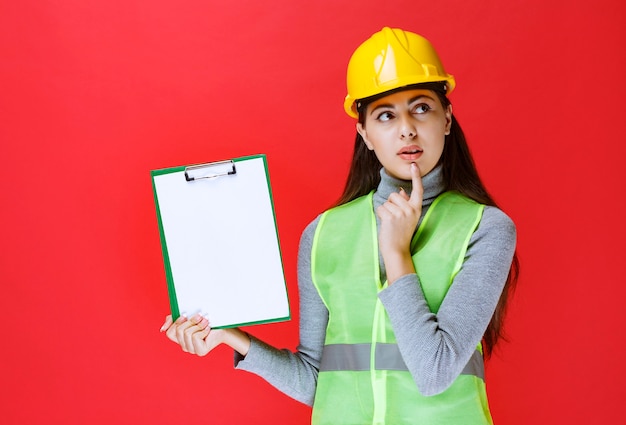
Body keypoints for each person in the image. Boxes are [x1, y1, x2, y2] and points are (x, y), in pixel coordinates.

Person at [160, 27, 518, 424]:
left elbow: (434, 372)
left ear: (447, 118)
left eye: (421, 107)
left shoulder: (485, 228)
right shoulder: (323, 235)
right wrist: (235, 338)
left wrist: (397, 254)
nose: (406, 129)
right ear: (364, 132)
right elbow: (318, 381)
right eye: (385, 115)